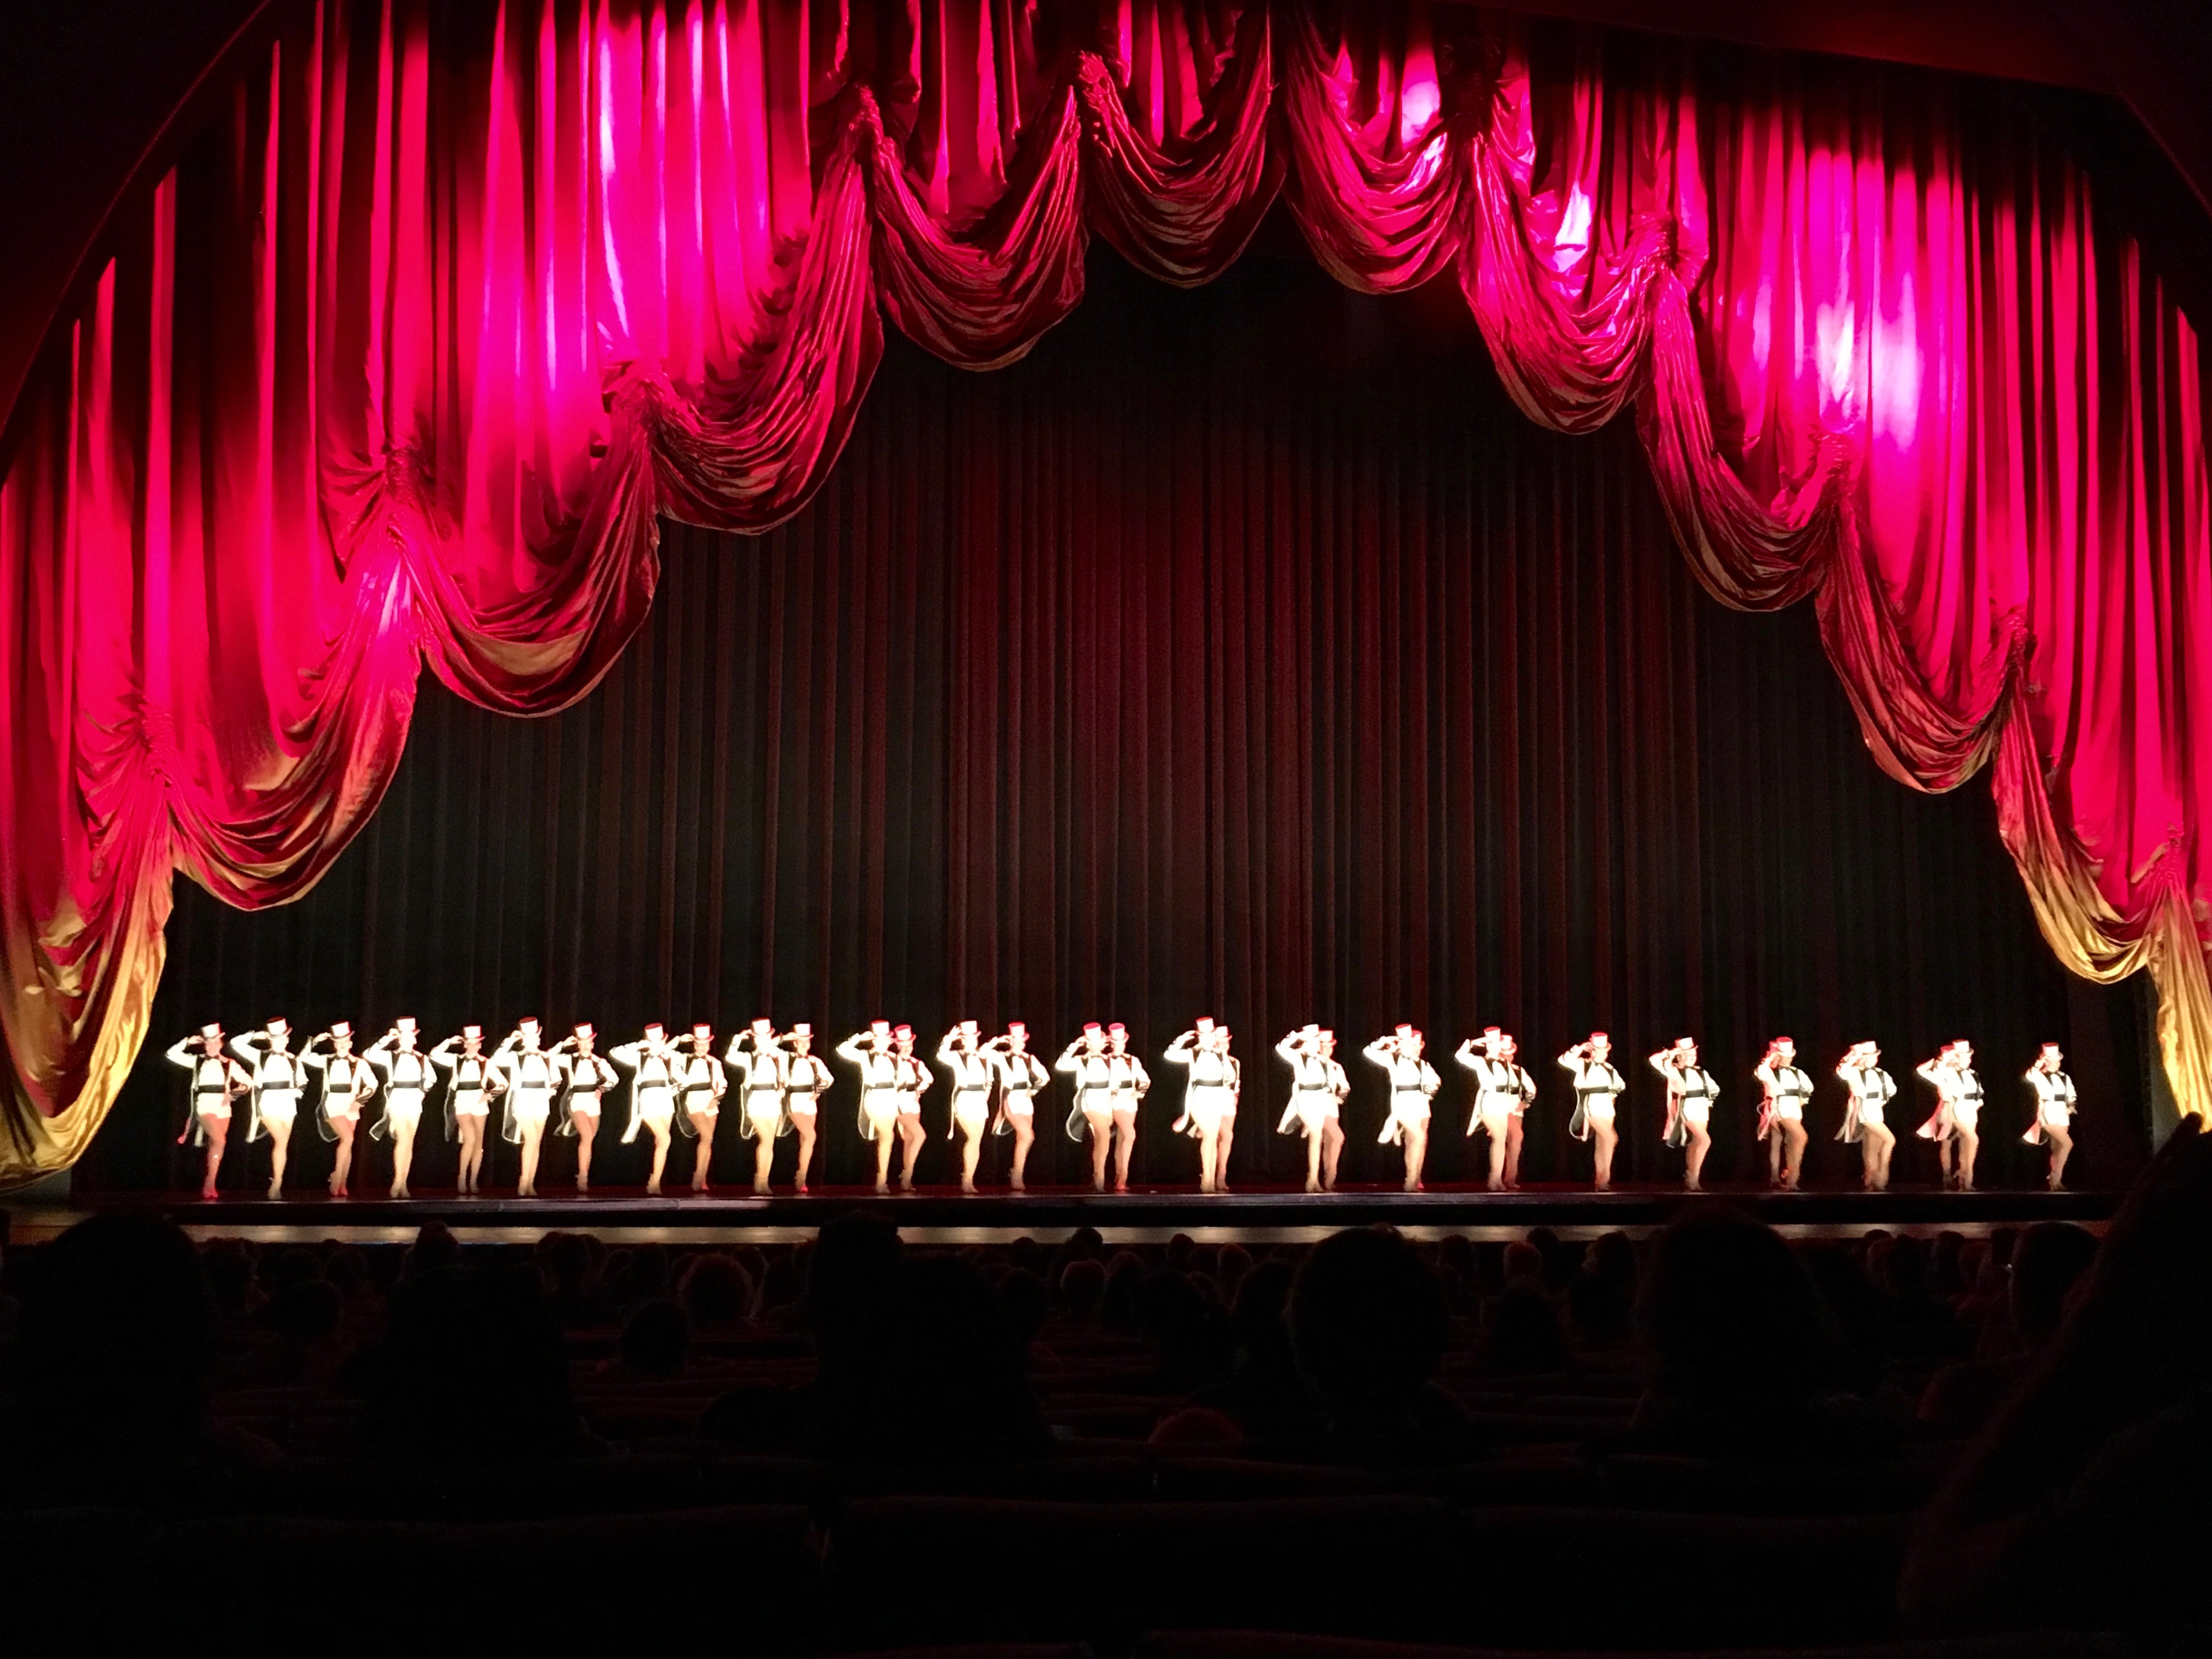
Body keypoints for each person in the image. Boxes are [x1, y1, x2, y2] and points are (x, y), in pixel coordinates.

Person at [166, 1024, 250, 1199]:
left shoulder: (230, 1063)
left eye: (215, 1042)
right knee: (220, 1140)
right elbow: (171, 1054)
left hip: (223, 1106)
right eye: (208, 1043)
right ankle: (209, 1183)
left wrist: (234, 1094)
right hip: (204, 1105)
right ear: (204, 1045)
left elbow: (248, 1082)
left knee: (216, 1145)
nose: (212, 1046)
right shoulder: (196, 1060)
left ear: (221, 1043)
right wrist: (187, 1042)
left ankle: (211, 1182)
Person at [232, 1017, 308, 1200]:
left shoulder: (293, 1060)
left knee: (282, 1144)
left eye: (283, 1038)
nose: (280, 1042)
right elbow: (235, 1043)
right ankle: (275, 1185)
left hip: (288, 1102)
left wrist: (298, 1091)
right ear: (269, 1040)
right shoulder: (260, 1055)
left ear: (288, 1040)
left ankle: (278, 1182)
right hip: (267, 1101)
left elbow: (303, 1081)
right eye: (275, 1038)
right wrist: (257, 1035)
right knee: (280, 1139)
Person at [301, 1021, 377, 1198]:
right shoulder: (326, 1060)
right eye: (338, 1042)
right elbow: (303, 1058)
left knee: (348, 1144)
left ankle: (342, 1183)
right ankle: (336, 1177)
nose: (341, 1045)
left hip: (351, 1105)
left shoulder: (360, 1063)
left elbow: (373, 1083)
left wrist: (360, 1101)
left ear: (350, 1043)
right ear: (334, 1044)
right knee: (348, 1138)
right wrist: (314, 1042)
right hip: (332, 1104)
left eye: (345, 1042)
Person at [1165, 1018, 1240, 1194]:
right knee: (1210, 1135)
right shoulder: (1193, 1053)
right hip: (1200, 1098)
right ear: (1199, 1037)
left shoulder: (1222, 1055)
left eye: (1210, 1035)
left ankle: (1211, 1180)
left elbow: (1229, 1079)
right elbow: (1169, 1055)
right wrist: (1182, 1039)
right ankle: (1207, 1182)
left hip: (1217, 1098)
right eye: (1204, 1036)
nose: (1208, 1039)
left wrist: (1230, 1099)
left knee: (1212, 1137)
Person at [428, 1024, 504, 1196]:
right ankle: (462, 1177)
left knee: (479, 1143)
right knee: (469, 1139)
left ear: (479, 1045)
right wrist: (448, 1042)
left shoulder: (486, 1062)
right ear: (465, 1045)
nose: (472, 1046)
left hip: (479, 1102)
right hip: (462, 1102)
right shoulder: (456, 1060)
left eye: (475, 1043)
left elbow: (503, 1083)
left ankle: (473, 1181)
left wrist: (490, 1095)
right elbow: (434, 1055)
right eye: (469, 1043)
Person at [364, 1018, 434, 1199]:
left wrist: (423, 1091)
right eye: (407, 1036)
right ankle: (397, 1182)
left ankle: (403, 1183)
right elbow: (369, 1054)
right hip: (397, 1099)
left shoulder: (422, 1058)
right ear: (400, 1038)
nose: (411, 1039)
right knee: (403, 1138)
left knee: (409, 1141)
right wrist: (386, 1039)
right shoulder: (390, 1056)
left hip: (414, 1100)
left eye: (412, 1036)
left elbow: (431, 1079)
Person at [1365, 1024, 1441, 1192]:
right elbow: (1369, 1052)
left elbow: (1436, 1081)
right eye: (1411, 1045)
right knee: (1418, 1137)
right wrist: (1385, 1041)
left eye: (1417, 1045)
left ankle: (1415, 1178)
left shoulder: (1424, 1065)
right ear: (1402, 1045)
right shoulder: (1393, 1060)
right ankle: (1411, 1180)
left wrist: (1430, 1091)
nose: (1415, 1049)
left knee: (1418, 1142)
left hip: (1421, 1106)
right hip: (1403, 1106)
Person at [490, 1017, 560, 1197]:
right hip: (523, 1101)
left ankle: (530, 1183)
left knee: (536, 1143)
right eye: (532, 1037)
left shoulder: (547, 1057)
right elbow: (496, 1059)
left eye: (537, 1036)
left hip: (541, 1102)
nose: (537, 1039)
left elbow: (556, 1080)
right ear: (524, 1039)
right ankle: (523, 1181)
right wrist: (510, 1041)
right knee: (530, 1140)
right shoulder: (515, 1057)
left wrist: (549, 1093)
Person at [610, 1022, 681, 1196]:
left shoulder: (670, 1056)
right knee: (665, 1139)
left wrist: (675, 1088)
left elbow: (682, 1078)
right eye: (653, 1042)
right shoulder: (639, 1056)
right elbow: (615, 1052)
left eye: (660, 1041)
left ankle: (655, 1180)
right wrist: (640, 1045)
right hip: (648, 1099)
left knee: (662, 1142)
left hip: (665, 1099)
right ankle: (654, 1182)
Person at [1457, 1026, 1532, 1192]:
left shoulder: (1506, 1065)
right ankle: (1494, 1180)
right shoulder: (1481, 1062)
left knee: (1502, 1140)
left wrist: (1525, 1102)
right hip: (1490, 1104)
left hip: (1504, 1106)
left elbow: (1521, 1085)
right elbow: (1460, 1056)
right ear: (1488, 1046)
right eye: (1492, 1044)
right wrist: (1473, 1043)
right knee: (1499, 1138)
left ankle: (1498, 1180)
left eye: (1498, 1043)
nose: (1496, 1047)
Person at [1276, 1024, 1347, 1193]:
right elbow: (1281, 1047)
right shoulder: (1299, 1057)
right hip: (1306, 1099)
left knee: (1316, 1139)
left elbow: (1341, 1085)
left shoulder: (1327, 1063)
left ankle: (1314, 1180)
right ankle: (1312, 1180)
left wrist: (1339, 1096)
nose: (1318, 1045)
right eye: (1314, 1041)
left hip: (1322, 1101)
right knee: (1316, 1133)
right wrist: (1299, 1035)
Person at [840, 1020, 906, 1193]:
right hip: (875, 1098)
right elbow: (842, 1050)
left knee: (887, 1139)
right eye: (880, 1039)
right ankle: (881, 1180)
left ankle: (881, 1179)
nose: (884, 1042)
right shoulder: (865, 1055)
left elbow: (901, 1081)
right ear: (874, 1041)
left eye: (887, 1039)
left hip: (891, 1098)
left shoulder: (896, 1059)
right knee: (888, 1135)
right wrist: (859, 1038)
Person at [981, 1022, 1048, 1190]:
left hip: (1026, 1101)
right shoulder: (1002, 1057)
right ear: (1010, 1041)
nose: (1020, 1044)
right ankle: (1016, 1174)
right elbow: (983, 1053)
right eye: (1015, 1041)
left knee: (1023, 1139)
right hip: (1011, 1099)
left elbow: (1045, 1077)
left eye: (1022, 1041)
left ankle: (1017, 1173)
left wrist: (1033, 1091)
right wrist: (997, 1041)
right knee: (1028, 1136)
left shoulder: (1030, 1059)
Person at [726, 1018, 788, 1195]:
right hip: (756, 1101)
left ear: (770, 1037)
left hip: (773, 1101)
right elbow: (730, 1057)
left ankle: (763, 1181)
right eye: (758, 1038)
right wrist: (737, 1039)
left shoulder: (780, 1056)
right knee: (767, 1139)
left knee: (770, 1143)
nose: (762, 1040)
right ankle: (760, 1180)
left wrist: (782, 1090)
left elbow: (785, 1078)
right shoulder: (749, 1058)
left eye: (766, 1037)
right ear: (754, 1039)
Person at [552, 1023, 616, 1193]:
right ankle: (582, 1177)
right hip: (577, 1101)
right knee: (586, 1135)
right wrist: (563, 1045)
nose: (586, 1045)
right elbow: (548, 1057)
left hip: (593, 1103)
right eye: (582, 1042)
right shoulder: (570, 1059)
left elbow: (614, 1079)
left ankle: (584, 1174)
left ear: (593, 1044)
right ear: (577, 1043)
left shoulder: (599, 1062)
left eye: (589, 1042)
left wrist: (602, 1088)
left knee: (589, 1140)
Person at [1558, 1032, 1625, 1189]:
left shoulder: (1609, 1068)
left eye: (1605, 1051)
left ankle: (1601, 1180)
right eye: (1598, 1050)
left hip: (1607, 1107)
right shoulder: (1583, 1065)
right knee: (1611, 1138)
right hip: (1591, 1106)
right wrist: (1581, 1048)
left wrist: (1613, 1092)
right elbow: (1563, 1060)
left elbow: (1621, 1085)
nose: (1603, 1054)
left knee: (1603, 1143)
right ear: (1592, 1051)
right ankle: (1604, 1179)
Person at [1650, 1036, 1718, 1192]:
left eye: (1694, 1053)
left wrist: (1708, 1100)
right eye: (1688, 1054)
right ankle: (1693, 1177)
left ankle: (1691, 1177)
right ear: (1681, 1056)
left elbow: (1714, 1089)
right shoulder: (1674, 1070)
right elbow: (1653, 1060)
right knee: (1705, 1140)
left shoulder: (1701, 1072)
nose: (1693, 1056)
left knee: (1696, 1142)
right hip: (1688, 1107)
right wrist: (1672, 1053)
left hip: (1702, 1106)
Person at [937, 1019, 996, 1194]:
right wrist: (949, 1039)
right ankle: (967, 1180)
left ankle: (969, 1178)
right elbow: (941, 1055)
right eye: (969, 1038)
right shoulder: (957, 1056)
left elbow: (990, 1080)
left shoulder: (984, 1058)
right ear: (962, 1040)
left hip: (980, 1101)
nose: (973, 1041)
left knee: (977, 1140)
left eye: (975, 1038)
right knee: (973, 1136)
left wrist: (986, 1096)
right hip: (964, 1100)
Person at [1916, 1040, 1984, 1191]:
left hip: (1970, 1111)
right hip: (1952, 1110)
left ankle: (1965, 1181)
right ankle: (1948, 1175)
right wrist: (1944, 1059)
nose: (1969, 1060)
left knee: (1967, 1144)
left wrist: (1979, 1101)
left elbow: (1978, 1091)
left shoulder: (1973, 1074)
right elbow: (1923, 1070)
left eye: (1970, 1057)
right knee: (1951, 1141)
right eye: (1964, 1057)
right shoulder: (1947, 1072)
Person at [1836, 1040, 1898, 1191]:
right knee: (1890, 1140)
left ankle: (1870, 1181)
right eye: (1870, 1056)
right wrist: (1853, 1056)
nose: (1874, 1059)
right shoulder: (1855, 1072)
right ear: (1863, 1058)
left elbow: (1892, 1089)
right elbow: (1842, 1071)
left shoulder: (1882, 1074)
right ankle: (1881, 1176)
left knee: (1873, 1146)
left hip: (1877, 1108)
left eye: (1875, 1056)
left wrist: (1882, 1100)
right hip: (1865, 1109)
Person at [1754, 1036, 1814, 1190]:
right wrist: (1770, 1058)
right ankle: (1791, 1177)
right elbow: (1761, 1072)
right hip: (1779, 1109)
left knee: (1791, 1142)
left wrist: (1803, 1100)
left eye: (1789, 1057)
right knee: (1800, 1137)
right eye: (1784, 1056)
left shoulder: (1797, 1073)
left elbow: (1808, 1088)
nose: (1787, 1059)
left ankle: (1784, 1175)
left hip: (1794, 1108)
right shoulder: (1771, 1072)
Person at [780, 1024, 832, 1192]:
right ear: (794, 1043)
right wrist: (783, 1038)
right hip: (794, 1100)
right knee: (811, 1135)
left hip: (810, 1102)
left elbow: (829, 1079)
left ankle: (801, 1178)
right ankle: (800, 1177)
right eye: (800, 1041)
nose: (804, 1044)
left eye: (806, 1041)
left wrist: (818, 1092)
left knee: (806, 1140)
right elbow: (769, 1047)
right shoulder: (786, 1058)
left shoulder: (815, 1061)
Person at [675, 1023, 726, 1193]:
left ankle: (702, 1179)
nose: (703, 1046)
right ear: (694, 1044)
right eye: (700, 1043)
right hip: (694, 1101)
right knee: (706, 1135)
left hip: (711, 1101)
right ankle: (698, 1176)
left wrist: (717, 1098)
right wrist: (678, 1040)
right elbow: (664, 1053)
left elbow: (723, 1083)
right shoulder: (684, 1059)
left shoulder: (715, 1062)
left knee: (707, 1140)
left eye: (706, 1043)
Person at [2022, 1042, 2078, 1190]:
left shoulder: (2065, 1077)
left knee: (2057, 1148)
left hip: (2062, 1114)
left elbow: (2072, 1095)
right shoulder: (2039, 1076)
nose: (2058, 1063)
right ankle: (2055, 1177)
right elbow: (2029, 1075)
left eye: (2059, 1060)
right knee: (2068, 1144)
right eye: (2054, 1060)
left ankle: (2055, 1183)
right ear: (2048, 1061)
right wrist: (2039, 1062)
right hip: (2049, 1113)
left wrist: (2071, 1107)